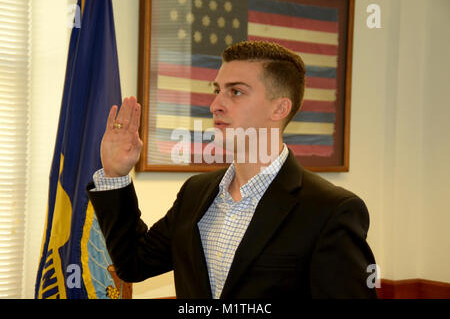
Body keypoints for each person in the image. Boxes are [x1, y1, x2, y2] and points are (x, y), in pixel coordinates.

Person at [87, 41, 378, 299]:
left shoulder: (330, 210)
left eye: (235, 92)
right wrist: (115, 175)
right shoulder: (196, 192)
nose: (215, 105)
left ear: (279, 109)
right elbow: (134, 263)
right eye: (217, 90)